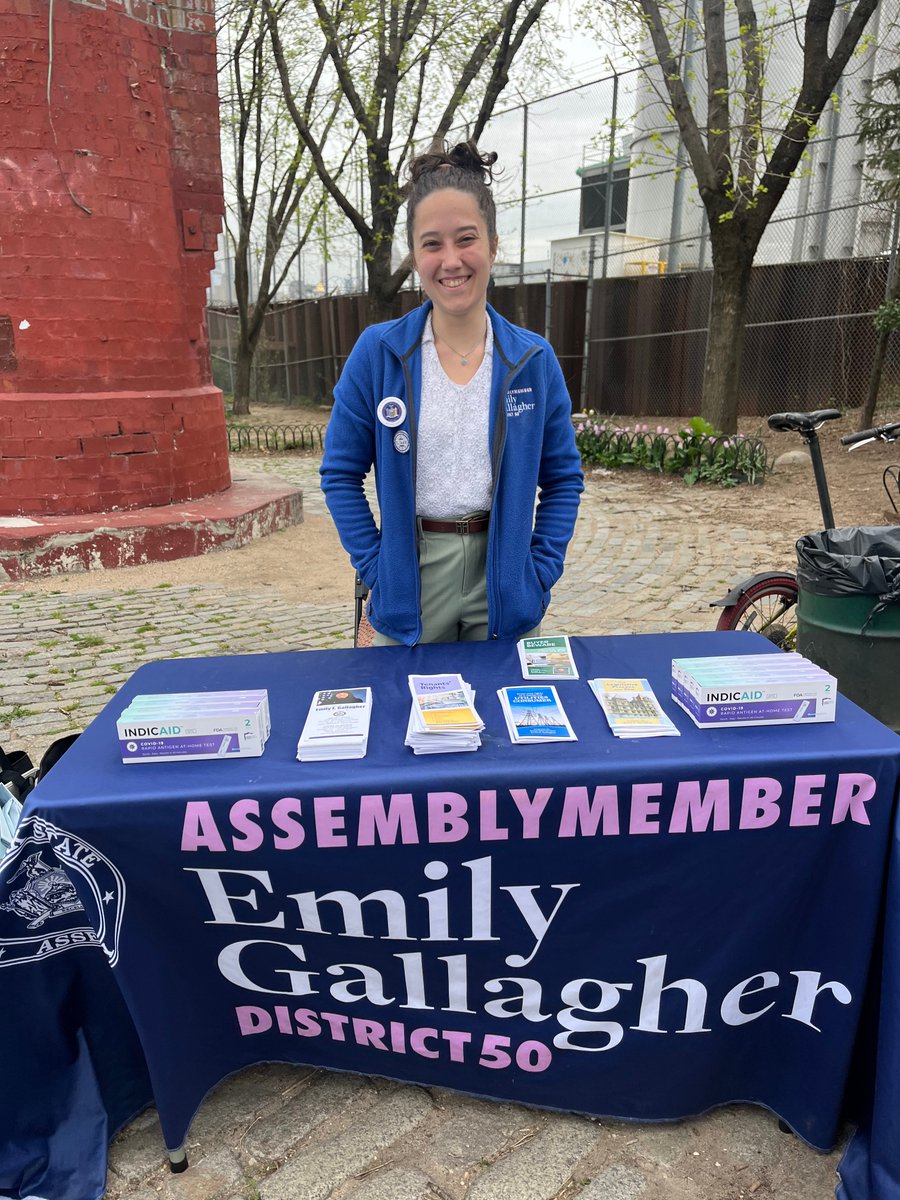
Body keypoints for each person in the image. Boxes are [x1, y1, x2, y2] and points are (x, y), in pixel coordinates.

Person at [320, 140, 584, 646]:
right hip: (413, 579)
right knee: (407, 717)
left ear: (493, 243)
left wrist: (539, 572)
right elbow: (339, 474)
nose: (451, 260)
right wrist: (379, 569)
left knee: (502, 717)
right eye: (432, 243)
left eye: (466, 238)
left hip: (504, 578)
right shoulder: (378, 354)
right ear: (415, 255)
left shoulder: (533, 360)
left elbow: (563, 479)